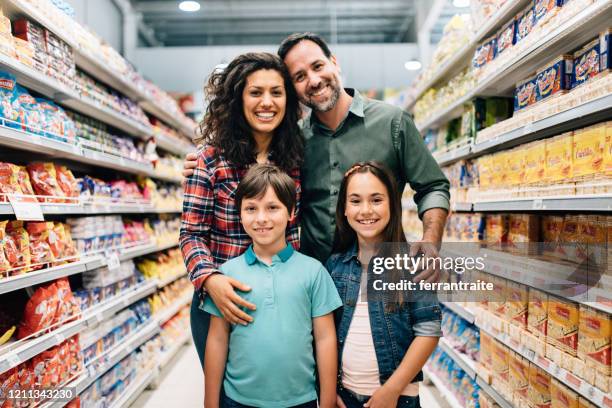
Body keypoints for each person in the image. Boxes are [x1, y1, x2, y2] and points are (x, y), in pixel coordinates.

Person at [182, 34, 450, 324]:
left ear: (334, 62)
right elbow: (195, 227)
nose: (313, 79)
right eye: (299, 76)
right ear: (294, 90)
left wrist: (431, 240)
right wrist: (200, 167)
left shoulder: (392, 122)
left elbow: (433, 185)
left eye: (318, 66)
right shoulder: (294, 143)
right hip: (308, 288)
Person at [179, 52, 304, 367]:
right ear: (238, 100)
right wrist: (209, 279)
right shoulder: (209, 160)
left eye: (276, 92)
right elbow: (191, 233)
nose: (267, 102)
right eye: (255, 92)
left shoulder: (297, 160)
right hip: (221, 301)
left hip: (283, 301)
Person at [204, 164, 341, 408]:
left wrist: (328, 401)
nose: (261, 218)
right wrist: (210, 403)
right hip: (237, 400)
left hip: (301, 400)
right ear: (240, 213)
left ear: (291, 212)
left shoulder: (314, 272)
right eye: (251, 208)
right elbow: (217, 339)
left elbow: (325, 338)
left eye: (272, 207)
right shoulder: (227, 275)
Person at [326, 161, 442, 408]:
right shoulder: (334, 265)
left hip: (398, 398)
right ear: (344, 209)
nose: (366, 210)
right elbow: (325, 335)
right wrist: (327, 389)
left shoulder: (411, 262)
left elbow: (428, 332)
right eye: (355, 201)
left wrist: (392, 389)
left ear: (392, 206)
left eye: (376, 200)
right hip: (344, 399)